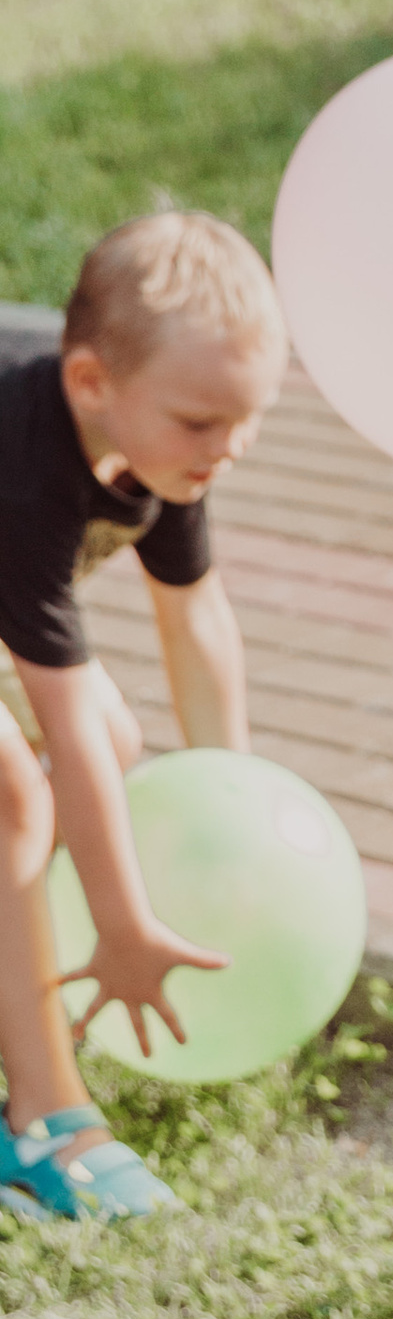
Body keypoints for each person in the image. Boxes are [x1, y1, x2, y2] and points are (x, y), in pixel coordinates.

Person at [0, 213, 288, 1224]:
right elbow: (60, 716)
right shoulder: (28, 463)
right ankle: (44, 1123)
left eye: (246, 420)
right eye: (205, 424)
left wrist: (237, 811)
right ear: (91, 383)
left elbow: (196, 618)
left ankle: (25, 1010)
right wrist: (122, 928)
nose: (231, 448)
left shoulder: (159, 448)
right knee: (17, 796)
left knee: (116, 753)